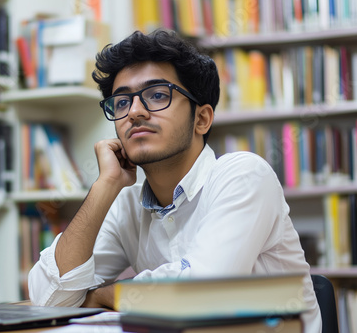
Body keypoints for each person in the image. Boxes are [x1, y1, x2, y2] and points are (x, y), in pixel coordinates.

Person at [28, 29, 322, 332]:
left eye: (157, 95)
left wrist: (101, 293)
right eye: (121, 102)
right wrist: (105, 185)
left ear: (202, 119)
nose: (135, 112)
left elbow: (202, 294)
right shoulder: (126, 204)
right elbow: (48, 298)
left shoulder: (243, 175)